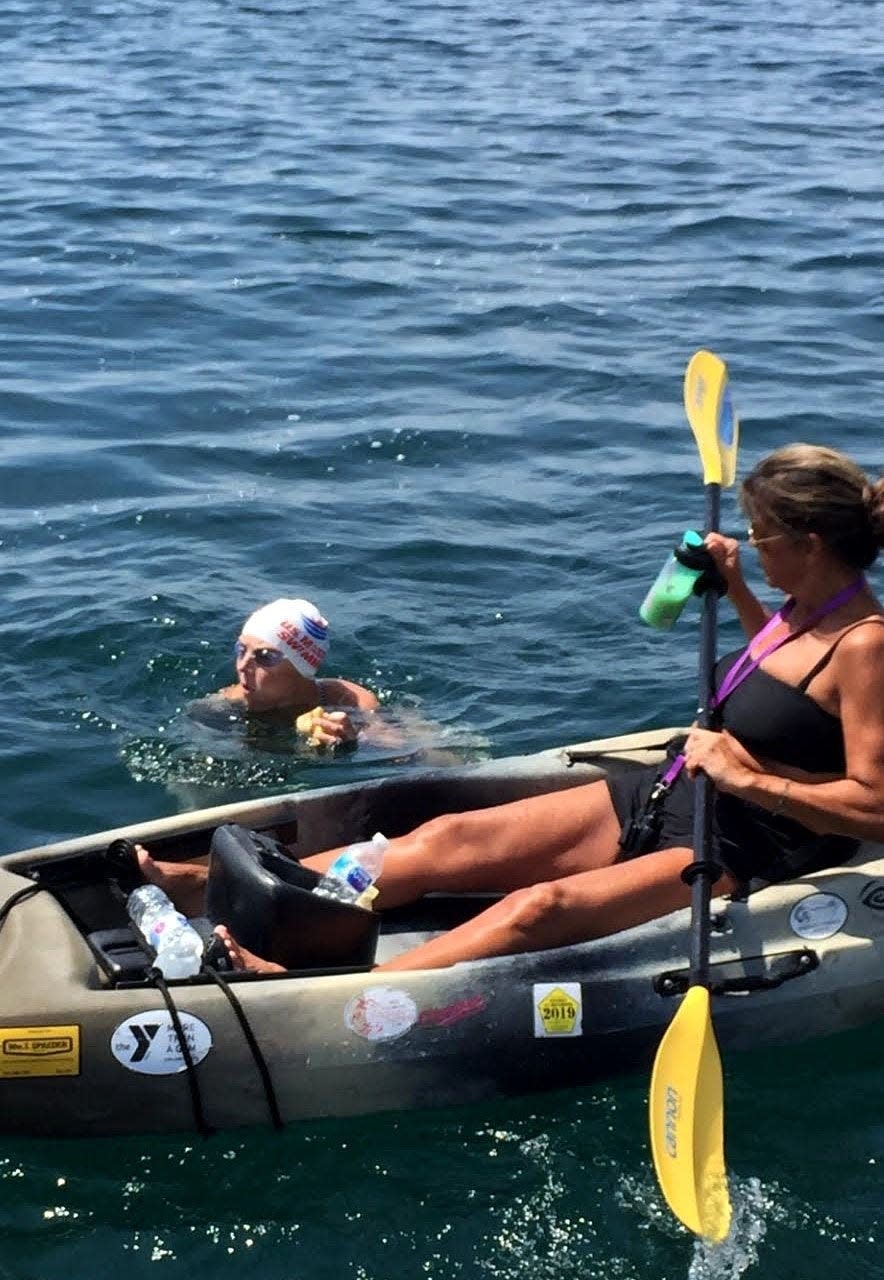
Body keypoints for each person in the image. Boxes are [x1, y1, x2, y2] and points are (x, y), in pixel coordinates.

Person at [142, 445, 884, 973]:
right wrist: (739, 589)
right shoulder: (798, 608)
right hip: (674, 786)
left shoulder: (865, 644)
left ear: (811, 543)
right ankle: (217, 888)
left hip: (744, 840)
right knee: (446, 839)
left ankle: (338, 993)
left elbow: (874, 806)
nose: (753, 546)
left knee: (539, 909)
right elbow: (783, 681)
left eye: (761, 537)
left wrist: (747, 778)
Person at [198, 597, 379, 750]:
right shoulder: (220, 709)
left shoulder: (348, 701)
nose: (242, 666)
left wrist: (352, 740)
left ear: (301, 667)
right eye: (242, 649)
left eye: (264, 656)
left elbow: (399, 754)